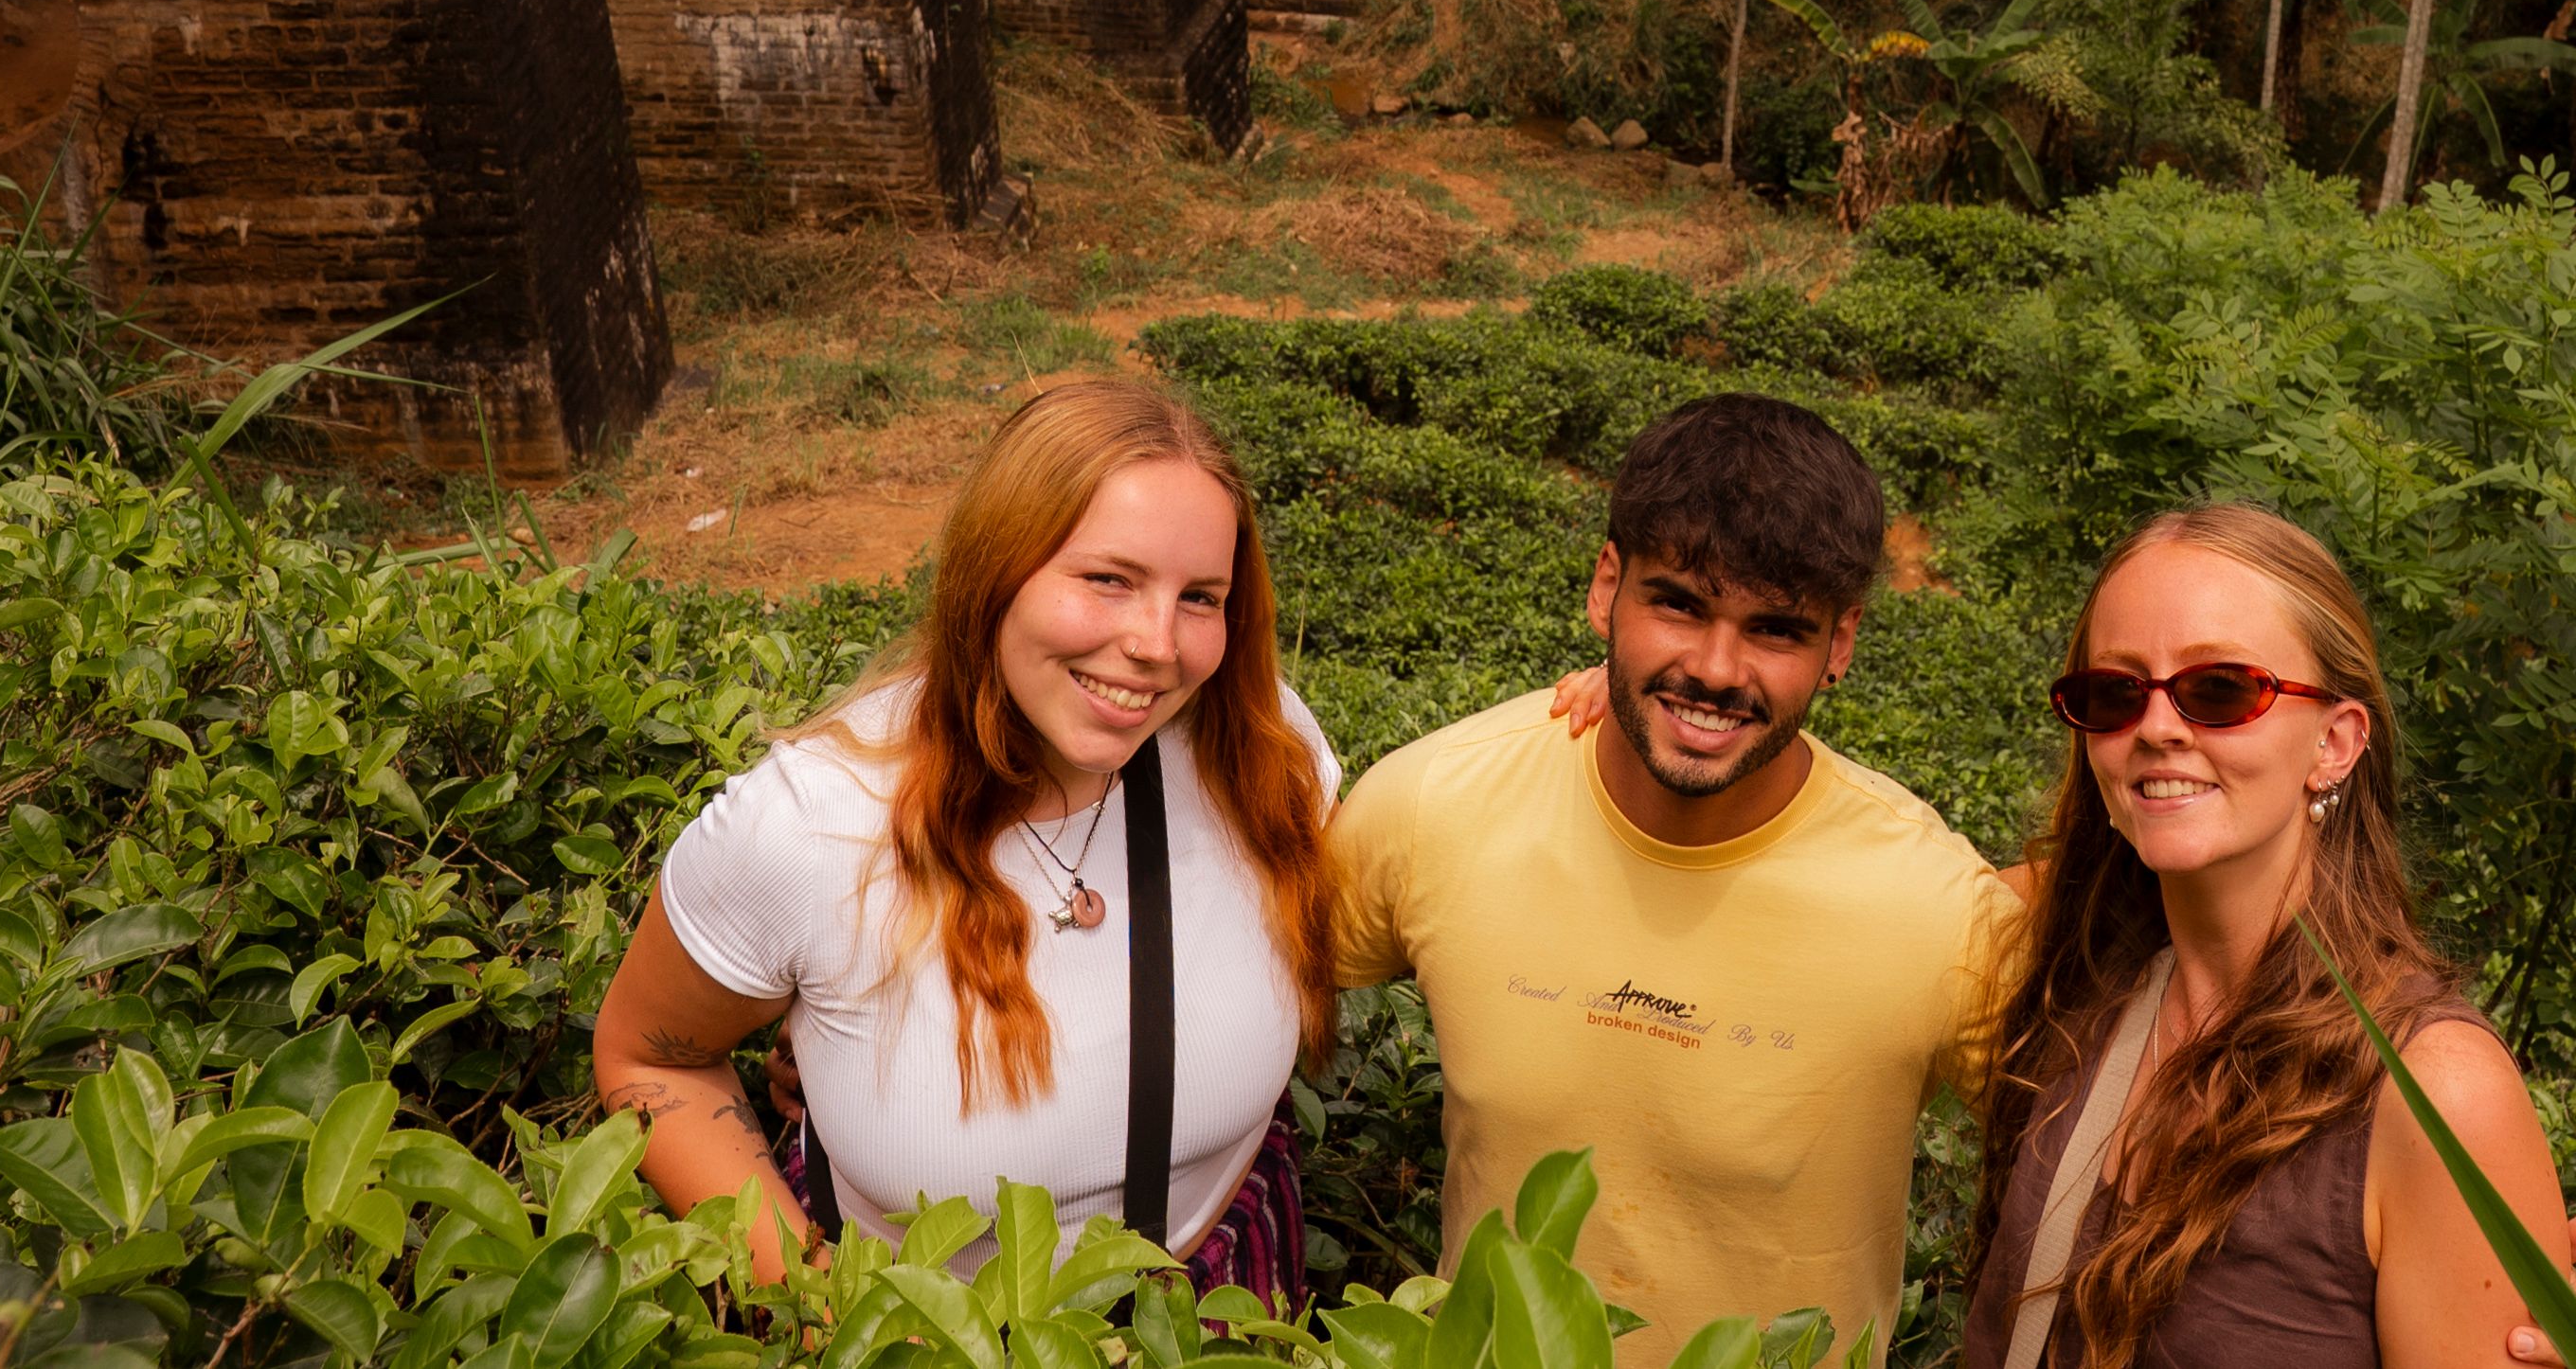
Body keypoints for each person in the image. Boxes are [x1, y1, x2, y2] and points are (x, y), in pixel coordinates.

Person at [592, 378, 1338, 1306]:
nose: (1157, 644)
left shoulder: (1264, 756)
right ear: (996, 571)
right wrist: (817, 1306)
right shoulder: (815, 823)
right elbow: (648, 1055)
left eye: (1201, 597)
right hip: (919, 1330)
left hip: (1218, 1288)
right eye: (1108, 579)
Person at [1331, 398, 2014, 1365]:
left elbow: (2091, 1176)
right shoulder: (1433, 806)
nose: (1715, 669)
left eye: (1776, 629)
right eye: (1679, 605)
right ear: (1607, 587)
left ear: (1843, 644)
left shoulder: (1936, 911)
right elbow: (1251, 1016)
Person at [1963, 507, 2576, 1369]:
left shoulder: (2432, 1090)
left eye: (2219, 689)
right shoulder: (2072, 982)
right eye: (2113, 694)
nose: (2157, 728)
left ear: (2334, 742)